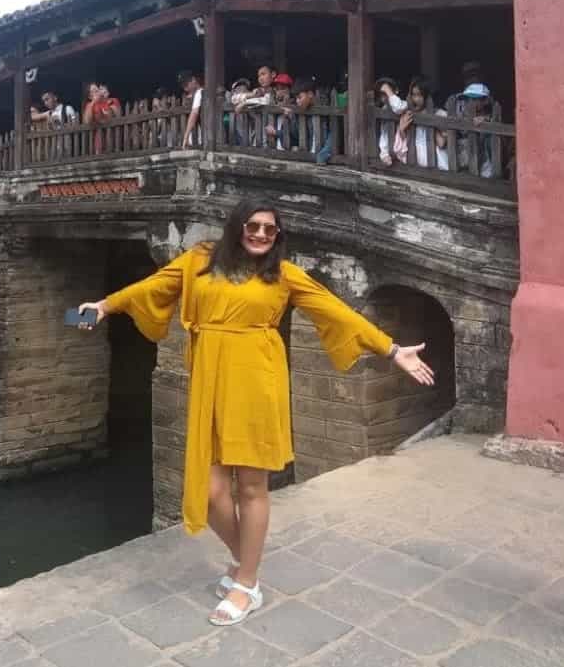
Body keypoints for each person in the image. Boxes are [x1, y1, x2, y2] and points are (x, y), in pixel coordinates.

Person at [77, 198, 434, 627]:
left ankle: (246, 582)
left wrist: (392, 350)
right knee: (210, 493)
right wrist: (106, 305)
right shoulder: (200, 259)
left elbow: (334, 309)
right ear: (237, 226)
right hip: (209, 377)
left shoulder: (283, 275)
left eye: (271, 230)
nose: (262, 234)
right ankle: (246, 561)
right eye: (255, 226)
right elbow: (153, 287)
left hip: (256, 381)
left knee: (250, 487)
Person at [393, 76, 449, 171]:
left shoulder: (440, 114)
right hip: (413, 162)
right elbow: (401, 145)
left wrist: (429, 122)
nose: (416, 99)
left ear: (427, 96)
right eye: (413, 95)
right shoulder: (407, 115)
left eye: (419, 95)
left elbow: (441, 143)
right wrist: (402, 130)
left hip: (436, 164)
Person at [375, 78, 408, 166]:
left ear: (396, 91)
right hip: (393, 154)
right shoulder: (384, 110)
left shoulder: (404, 104)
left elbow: (398, 108)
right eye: (381, 94)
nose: (384, 97)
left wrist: (388, 90)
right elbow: (384, 134)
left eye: (386, 93)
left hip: (406, 153)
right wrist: (384, 154)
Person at [180, 71, 204, 149]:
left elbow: (194, 114)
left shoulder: (199, 93)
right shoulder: (204, 91)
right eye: (183, 86)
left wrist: (186, 137)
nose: (185, 89)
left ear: (194, 80)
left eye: (186, 85)